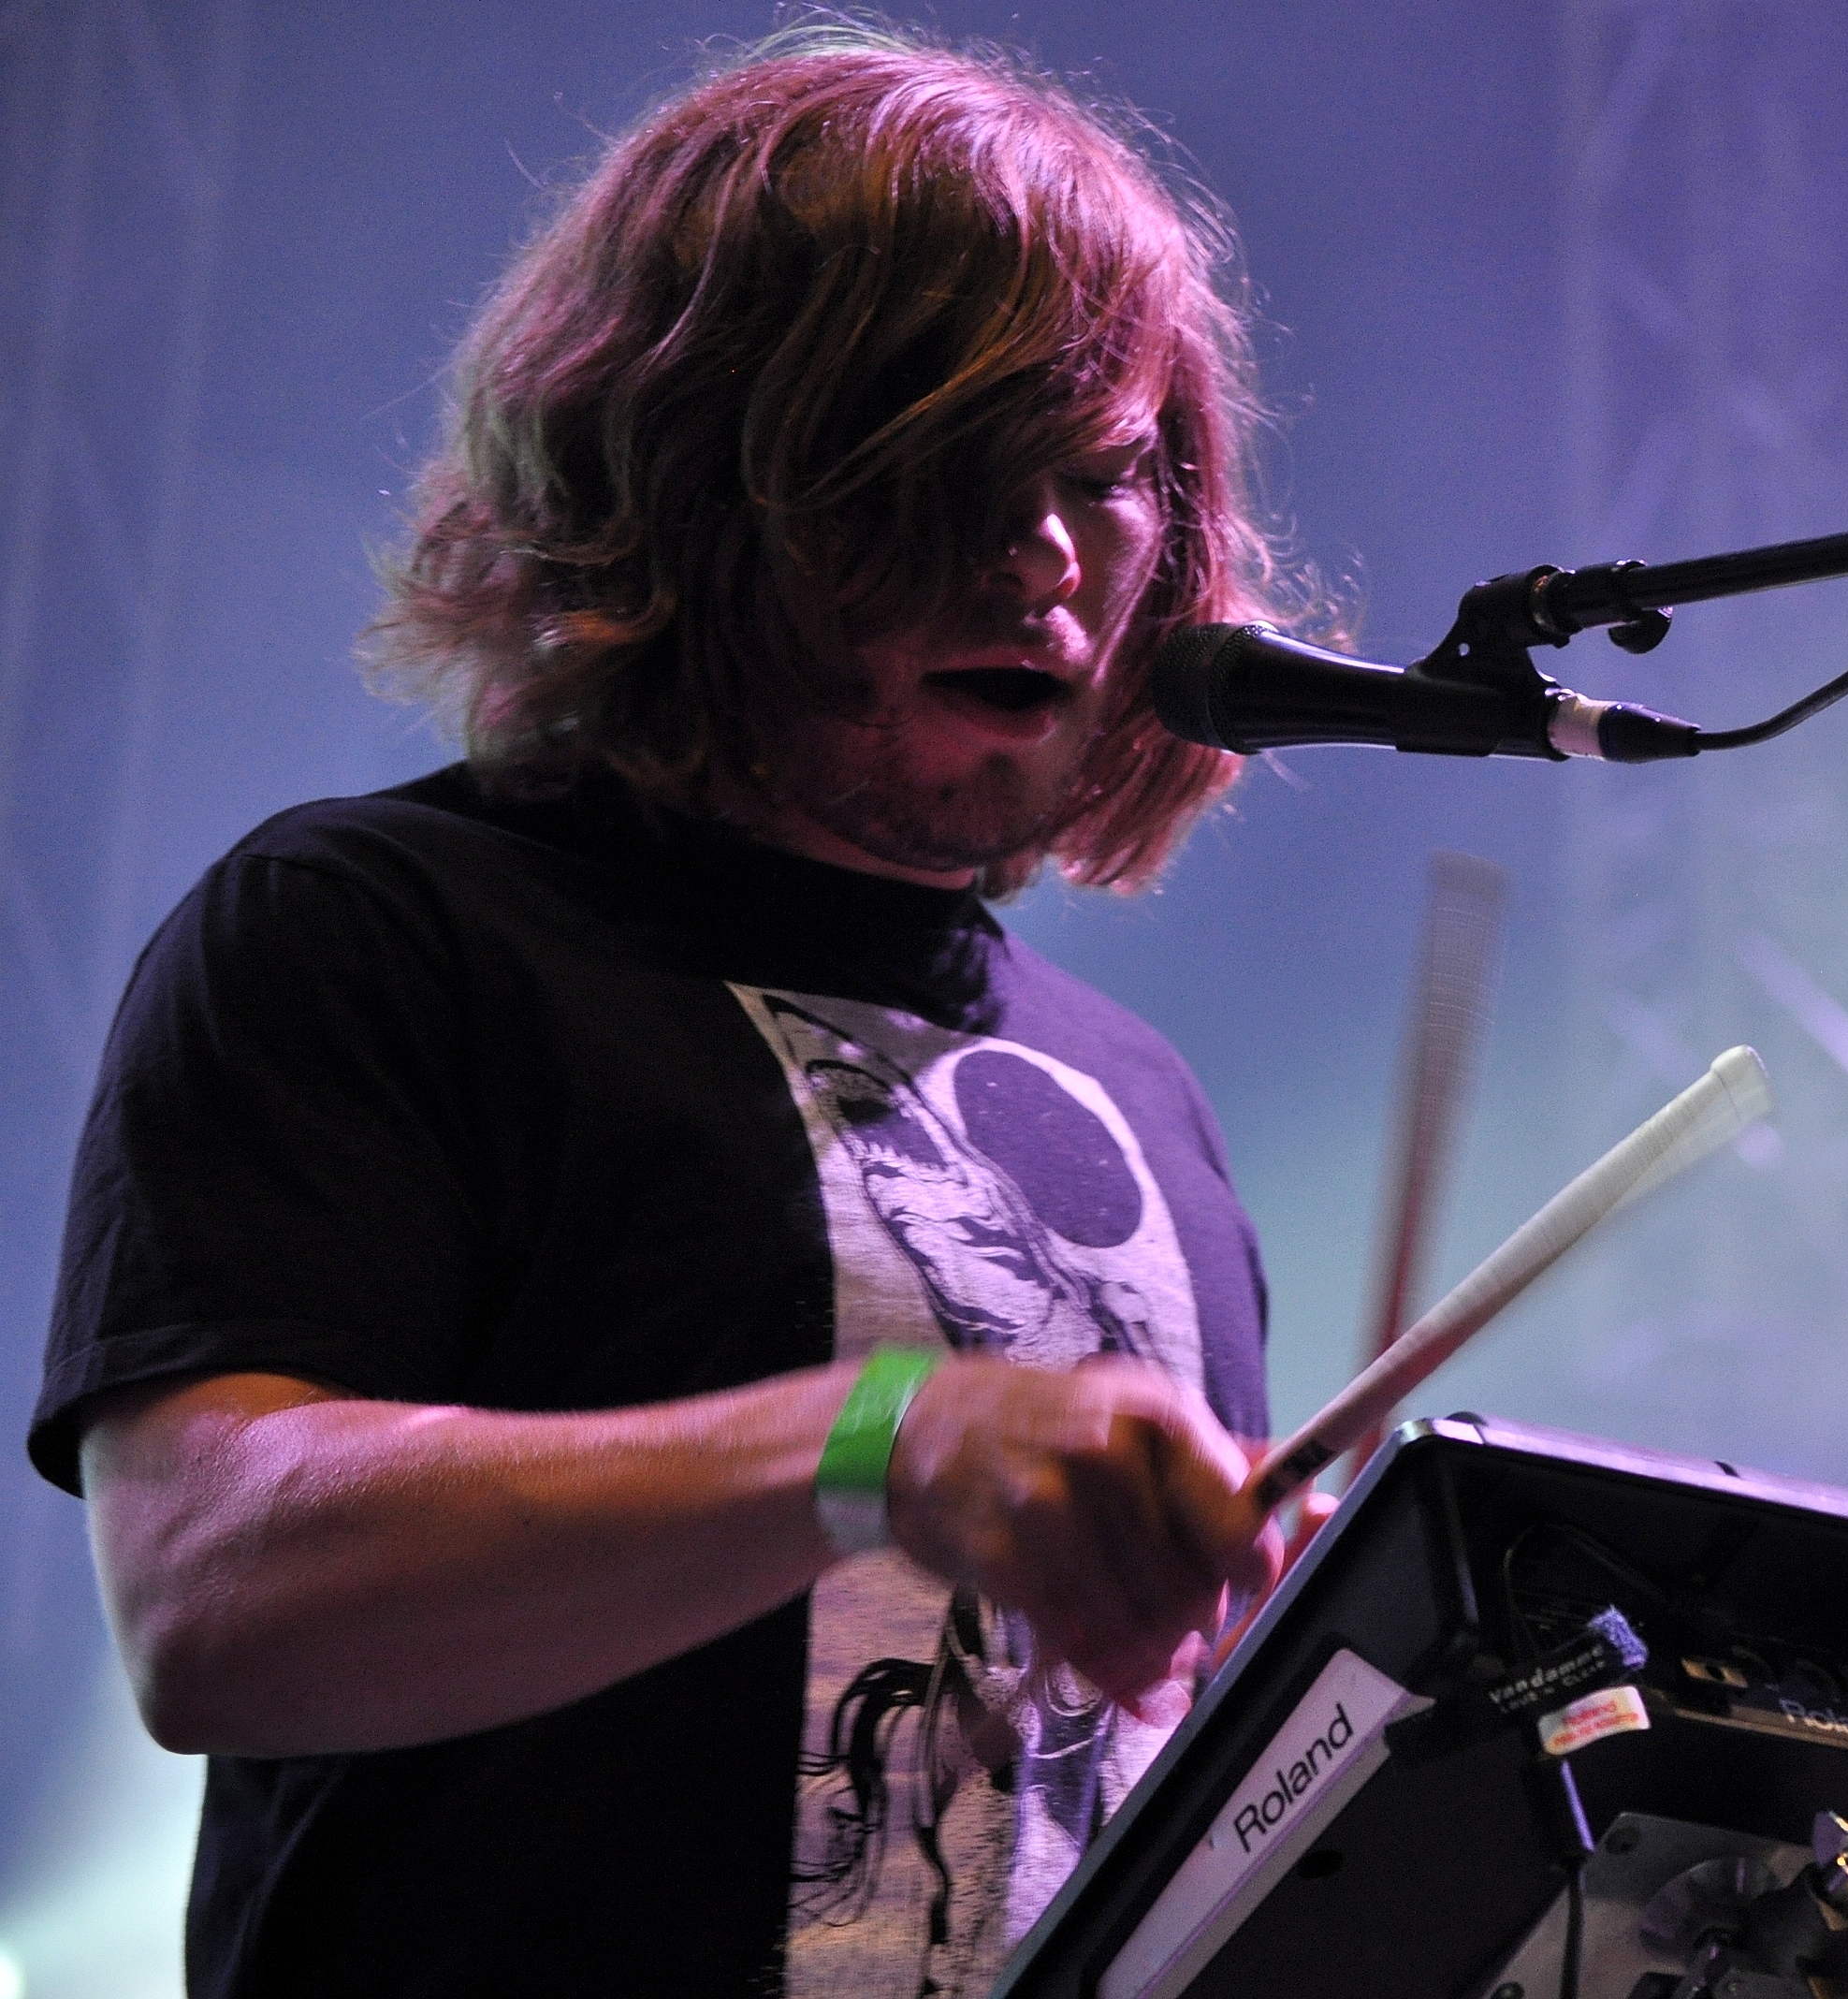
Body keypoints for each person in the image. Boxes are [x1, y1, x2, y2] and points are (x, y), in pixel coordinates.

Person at [25, 24, 1321, 1997]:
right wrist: (883, 1438)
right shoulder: (376, 931)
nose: (1051, 552)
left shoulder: (1137, 1095)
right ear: (705, 477)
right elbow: (214, 1603)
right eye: (953, 468)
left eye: (1100, 474)